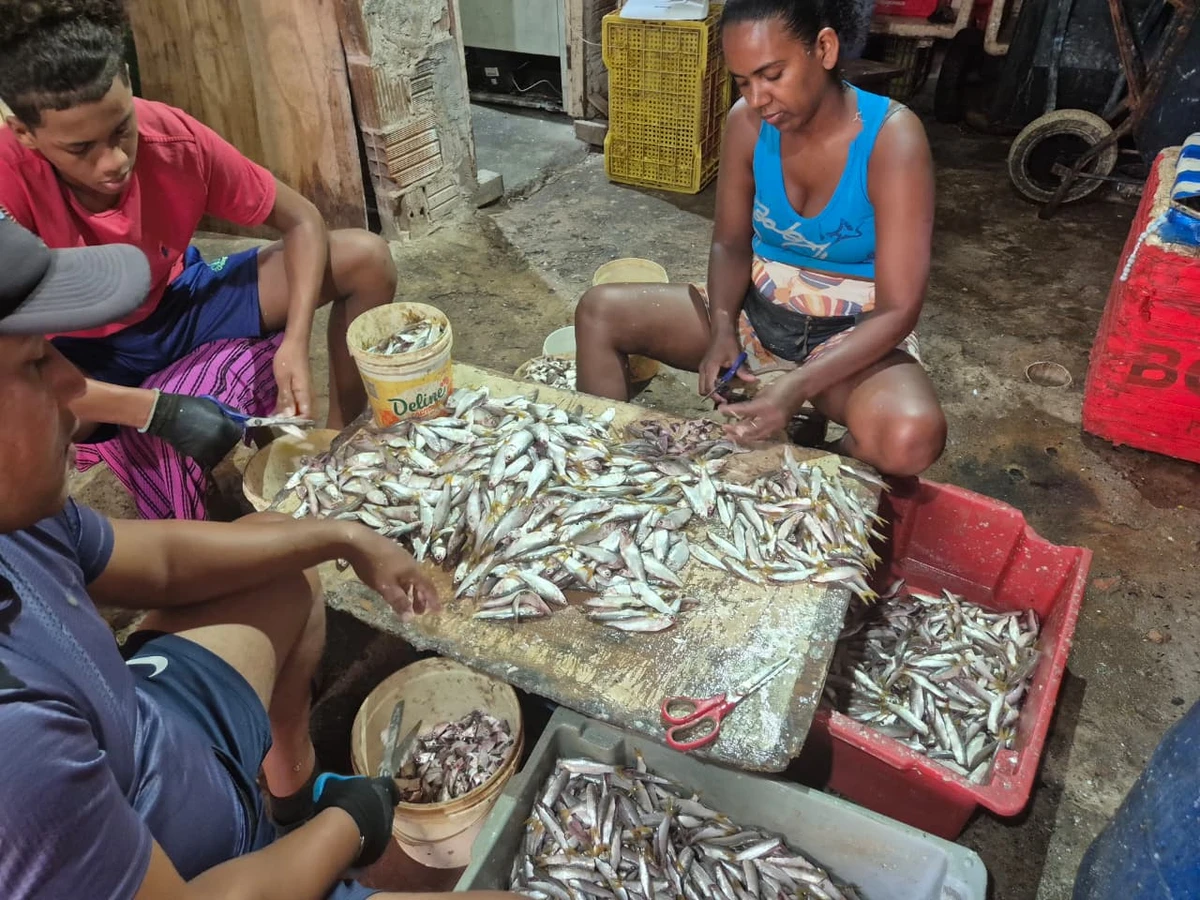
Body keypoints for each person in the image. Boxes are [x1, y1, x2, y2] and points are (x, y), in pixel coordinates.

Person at [0, 216, 517, 900]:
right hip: (198, 875)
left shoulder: (15, 514)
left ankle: (289, 794)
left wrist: (342, 535)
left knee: (281, 568)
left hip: (147, 736)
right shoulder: (15, 744)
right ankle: (301, 833)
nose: (75, 387)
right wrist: (346, 827)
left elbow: (161, 561)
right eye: (36, 363)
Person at [0, 0, 395, 473]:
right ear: (23, 133)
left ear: (127, 79)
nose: (114, 162)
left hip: (179, 303)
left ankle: (339, 445)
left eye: (122, 129)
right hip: (78, 347)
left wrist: (295, 340)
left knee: (365, 258)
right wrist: (159, 410)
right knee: (28, 416)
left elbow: (303, 220)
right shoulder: (8, 179)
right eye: (80, 149)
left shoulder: (173, 139)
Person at [575, 0, 947, 477]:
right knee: (599, 312)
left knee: (909, 436)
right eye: (743, 81)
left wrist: (792, 391)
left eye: (772, 74)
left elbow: (899, 309)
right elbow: (730, 244)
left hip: (850, 339)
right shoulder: (746, 125)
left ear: (824, 48)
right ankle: (603, 478)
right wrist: (724, 330)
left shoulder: (891, 139)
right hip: (757, 317)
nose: (757, 98)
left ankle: (804, 472)